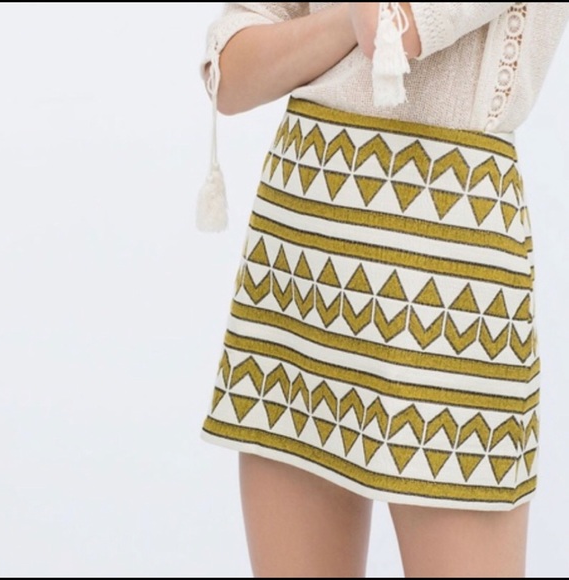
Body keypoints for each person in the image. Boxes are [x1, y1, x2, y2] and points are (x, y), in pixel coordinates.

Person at [196, 3, 569, 577]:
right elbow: (232, 72)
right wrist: (344, 19)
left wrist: (330, 30)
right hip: (299, 260)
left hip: (447, 279)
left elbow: (396, 27)